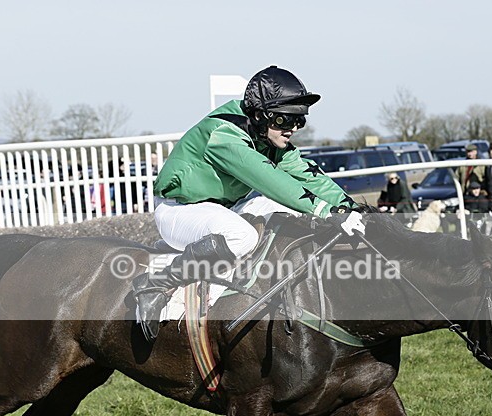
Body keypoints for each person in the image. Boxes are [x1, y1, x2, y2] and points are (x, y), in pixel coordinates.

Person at [134, 65, 365, 340]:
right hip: (178, 211)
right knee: (241, 236)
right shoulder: (223, 135)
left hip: (219, 208)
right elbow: (269, 179)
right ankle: (156, 283)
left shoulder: (266, 136)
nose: (292, 128)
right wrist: (325, 210)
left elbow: (309, 175)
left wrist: (350, 207)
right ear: (260, 115)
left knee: (281, 213)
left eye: (298, 121)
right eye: (284, 120)